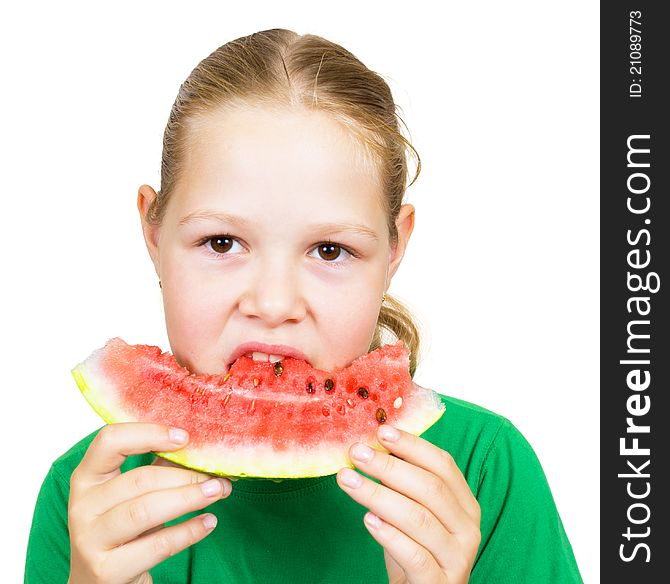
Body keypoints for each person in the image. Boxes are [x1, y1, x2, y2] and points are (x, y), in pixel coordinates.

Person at [24, 28, 583, 583]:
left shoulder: (483, 467)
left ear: (395, 247)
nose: (273, 303)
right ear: (153, 232)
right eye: (222, 243)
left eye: (330, 250)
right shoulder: (91, 502)